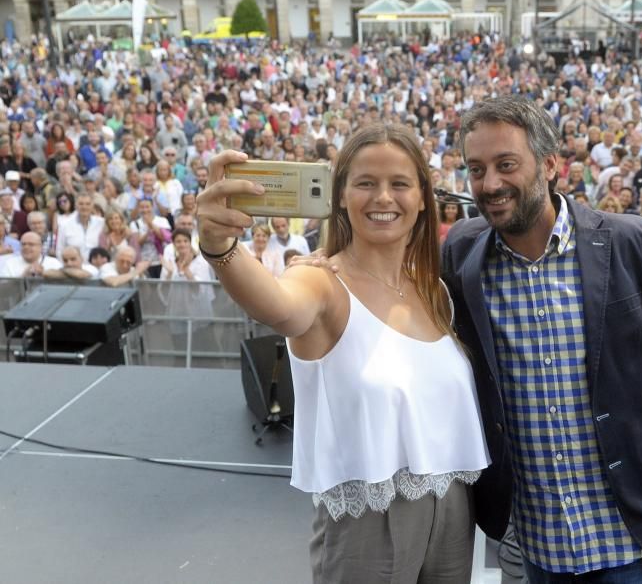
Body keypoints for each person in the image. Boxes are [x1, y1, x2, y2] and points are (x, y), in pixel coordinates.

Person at [197, 125, 489, 582]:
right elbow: (279, 307)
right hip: (370, 521)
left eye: (399, 184)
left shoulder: (436, 292)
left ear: (422, 198)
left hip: (453, 508)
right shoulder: (320, 282)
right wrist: (220, 247)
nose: (383, 198)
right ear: (341, 197)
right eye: (366, 183)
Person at [441, 96, 642, 581]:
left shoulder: (631, 241)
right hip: (538, 539)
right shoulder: (461, 253)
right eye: (476, 169)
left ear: (550, 165)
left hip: (630, 529)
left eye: (506, 165)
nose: (490, 184)